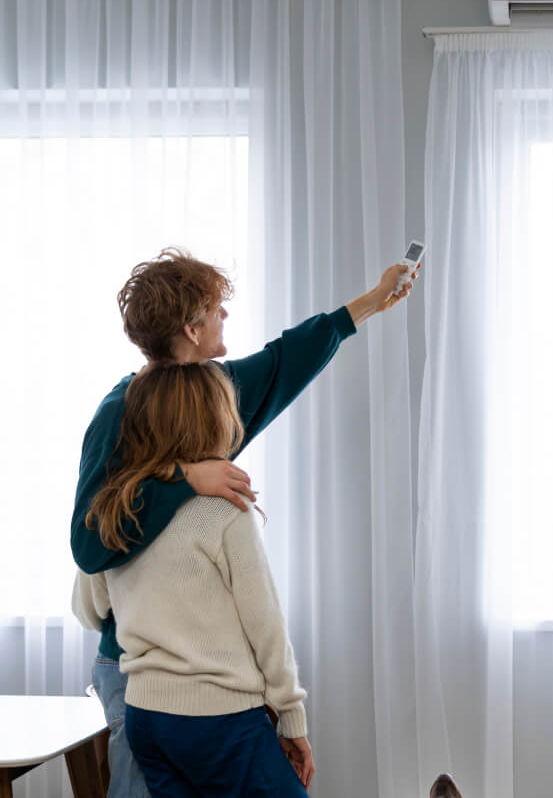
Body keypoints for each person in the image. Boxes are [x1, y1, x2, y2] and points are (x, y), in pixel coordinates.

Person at [71, 247, 418, 796]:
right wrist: (185, 476)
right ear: (190, 328)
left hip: (170, 687)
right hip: (134, 672)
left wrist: (375, 300)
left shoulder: (214, 388)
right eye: (215, 309)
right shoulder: (121, 412)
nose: (225, 316)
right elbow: (91, 546)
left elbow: (289, 357)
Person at [73, 361, 313, 794]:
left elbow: (90, 608)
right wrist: (291, 713)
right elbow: (265, 624)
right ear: (216, 418)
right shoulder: (224, 509)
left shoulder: (120, 511)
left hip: (146, 716)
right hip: (218, 718)